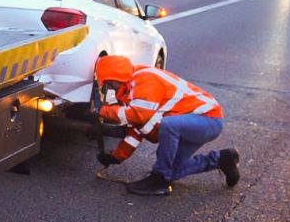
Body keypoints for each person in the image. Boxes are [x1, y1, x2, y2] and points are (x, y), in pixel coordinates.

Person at [95, 55, 240, 196]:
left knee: (168, 126)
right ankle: (222, 159)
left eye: (108, 83)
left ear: (115, 77)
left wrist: (102, 111)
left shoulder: (144, 79)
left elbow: (139, 115)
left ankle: (160, 179)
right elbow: (138, 127)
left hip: (208, 119)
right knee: (173, 170)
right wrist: (117, 157)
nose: (109, 87)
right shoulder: (131, 89)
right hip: (196, 123)